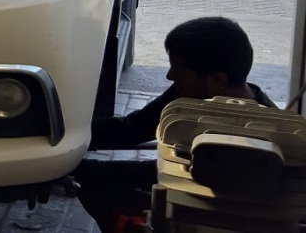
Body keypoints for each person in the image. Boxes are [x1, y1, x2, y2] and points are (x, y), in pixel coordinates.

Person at [72, 16, 277, 233]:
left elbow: (174, 174)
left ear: (217, 80)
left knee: (97, 189)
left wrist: (81, 167)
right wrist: (66, 136)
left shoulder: (263, 134)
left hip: (210, 212)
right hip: (189, 190)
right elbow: (134, 128)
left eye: (179, 72)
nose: (170, 76)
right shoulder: (191, 92)